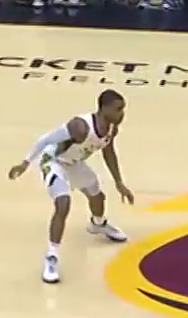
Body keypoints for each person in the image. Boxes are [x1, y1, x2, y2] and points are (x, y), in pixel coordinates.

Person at [7, 90, 134, 284]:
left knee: (98, 197)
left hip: (74, 163)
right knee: (63, 203)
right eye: (118, 109)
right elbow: (46, 139)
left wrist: (119, 182)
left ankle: (98, 224)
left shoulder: (111, 129)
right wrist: (25, 163)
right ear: (104, 108)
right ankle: (52, 257)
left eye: (123, 109)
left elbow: (109, 153)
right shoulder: (80, 126)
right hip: (54, 162)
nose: (122, 114)